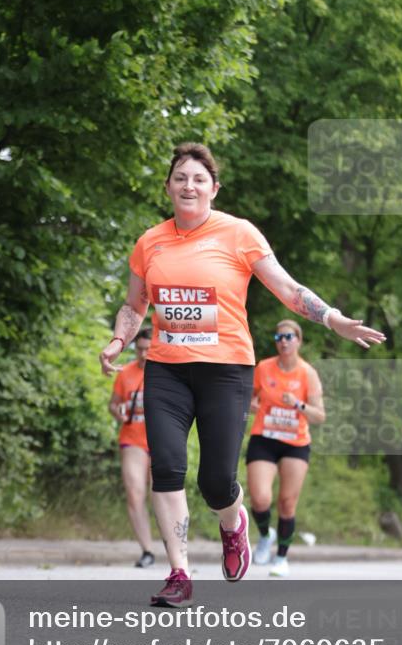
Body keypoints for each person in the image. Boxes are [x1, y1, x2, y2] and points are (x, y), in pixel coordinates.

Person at [99, 142, 385, 607]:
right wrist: (118, 341)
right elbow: (135, 306)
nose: (188, 186)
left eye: (198, 179)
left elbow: (288, 290)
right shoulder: (150, 241)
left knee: (215, 480)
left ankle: (233, 525)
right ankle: (180, 572)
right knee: (166, 468)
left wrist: (333, 318)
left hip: (226, 371)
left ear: (214, 188)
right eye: (180, 178)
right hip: (167, 372)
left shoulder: (238, 234)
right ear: (168, 187)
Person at [246, 319, 324, 577]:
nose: (284, 341)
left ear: (298, 341)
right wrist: (251, 404)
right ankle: (265, 533)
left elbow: (319, 416)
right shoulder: (264, 368)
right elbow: (248, 396)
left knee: (287, 502)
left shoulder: (307, 373)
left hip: (295, 443)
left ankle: (281, 557)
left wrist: (299, 406)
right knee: (260, 498)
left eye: (289, 337)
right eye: (279, 337)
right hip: (265, 437)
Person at [109, 329, 155, 568]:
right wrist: (117, 412)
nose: (145, 354)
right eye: (140, 349)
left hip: (160, 441)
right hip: (133, 439)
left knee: (160, 495)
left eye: (149, 348)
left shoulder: (168, 372)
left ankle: (173, 544)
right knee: (135, 493)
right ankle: (147, 549)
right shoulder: (126, 372)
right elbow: (113, 404)